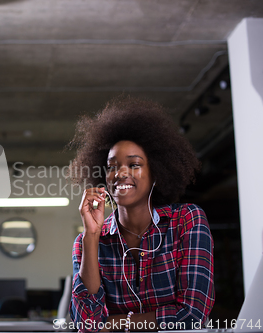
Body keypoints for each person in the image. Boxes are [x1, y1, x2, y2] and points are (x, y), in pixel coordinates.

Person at [67, 97, 214, 332]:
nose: (120, 173)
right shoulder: (86, 243)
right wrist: (92, 236)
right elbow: (85, 324)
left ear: (156, 172)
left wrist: (111, 325)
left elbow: (192, 314)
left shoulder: (187, 221)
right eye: (112, 166)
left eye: (134, 164)